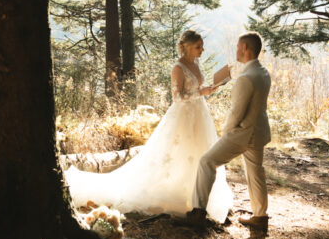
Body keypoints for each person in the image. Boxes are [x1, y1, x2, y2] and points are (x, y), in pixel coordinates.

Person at [63, 30, 233, 221]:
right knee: (179, 153)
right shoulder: (178, 67)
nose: (202, 50)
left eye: (202, 46)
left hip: (200, 114)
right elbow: (177, 98)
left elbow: (195, 88)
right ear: (186, 47)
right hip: (183, 117)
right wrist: (200, 93)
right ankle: (179, 197)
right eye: (198, 47)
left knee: (200, 153)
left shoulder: (195, 63)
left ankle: (198, 198)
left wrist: (206, 89)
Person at [186, 31, 272, 231]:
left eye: (237, 47)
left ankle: (198, 213)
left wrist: (225, 134)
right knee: (256, 172)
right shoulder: (263, 72)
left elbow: (236, 113)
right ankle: (260, 217)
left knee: (207, 161)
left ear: (244, 48)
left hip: (242, 134)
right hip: (258, 131)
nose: (236, 50)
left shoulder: (246, 78)